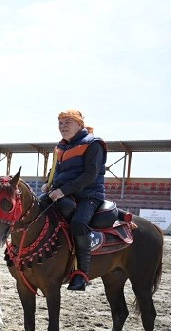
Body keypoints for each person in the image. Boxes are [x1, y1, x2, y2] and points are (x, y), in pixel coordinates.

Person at [41, 109, 107, 291]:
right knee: (35, 211)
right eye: (60, 123)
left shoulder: (93, 144)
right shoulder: (61, 146)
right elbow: (56, 169)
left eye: (67, 123)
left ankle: (82, 274)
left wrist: (62, 191)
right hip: (61, 192)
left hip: (89, 195)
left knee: (78, 223)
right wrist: (48, 182)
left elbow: (90, 175)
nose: (63, 127)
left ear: (79, 124)